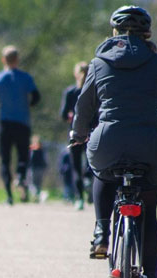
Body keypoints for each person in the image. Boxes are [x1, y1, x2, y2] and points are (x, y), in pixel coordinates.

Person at [69, 6, 157, 278]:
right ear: (147, 34)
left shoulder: (98, 63)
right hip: (149, 145)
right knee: (150, 214)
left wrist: (78, 134)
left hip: (108, 143)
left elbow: (84, 106)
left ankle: (101, 233)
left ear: (115, 33)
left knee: (101, 171)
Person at [0, 45, 41, 205]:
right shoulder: (26, 78)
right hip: (22, 122)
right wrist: (27, 104)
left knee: (5, 159)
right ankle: (21, 176)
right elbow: (36, 97)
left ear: (3, 60)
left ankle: (9, 196)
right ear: (17, 59)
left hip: (5, 124)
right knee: (23, 155)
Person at [60, 61, 92, 207]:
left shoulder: (70, 92)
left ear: (75, 74)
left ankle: (79, 198)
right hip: (92, 132)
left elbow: (63, 115)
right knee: (92, 162)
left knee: (76, 167)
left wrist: (70, 116)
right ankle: (88, 180)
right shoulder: (93, 90)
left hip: (74, 133)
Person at [28, 135, 47, 202]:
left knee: (32, 184)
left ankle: (37, 195)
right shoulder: (42, 149)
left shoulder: (32, 149)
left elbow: (30, 159)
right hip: (40, 169)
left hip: (33, 168)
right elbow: (44, 159)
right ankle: (38, 196)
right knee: (38, 184)